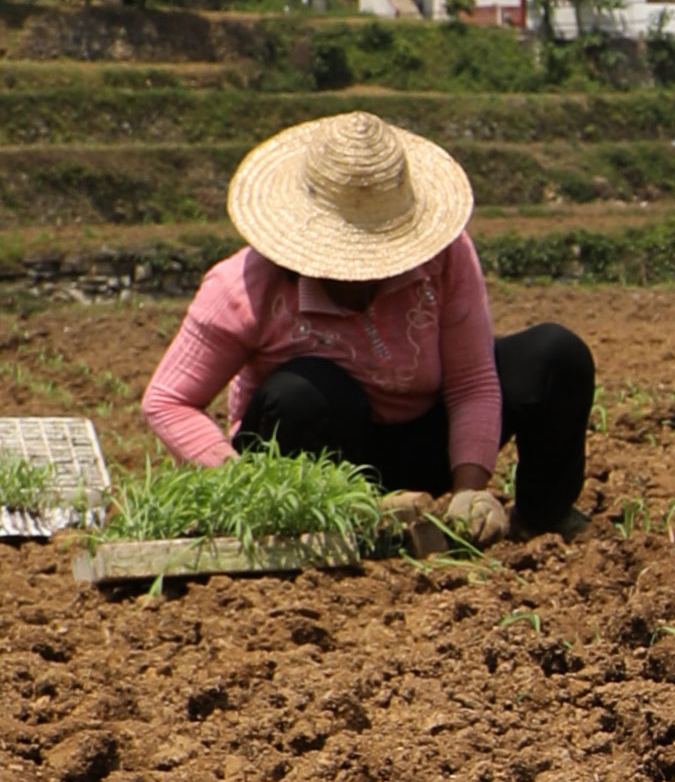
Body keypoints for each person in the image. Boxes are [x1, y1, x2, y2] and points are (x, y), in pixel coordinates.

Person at [141, 112, 591, 538]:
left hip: (420, 445)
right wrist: (242, 485)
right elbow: (168, 401)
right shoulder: (243, 287)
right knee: (302, 392)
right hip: (315, 464)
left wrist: (469, 489)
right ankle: (346, 518)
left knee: (554, 354)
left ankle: (539, 520)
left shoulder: (445, 259)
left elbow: (471, 380)